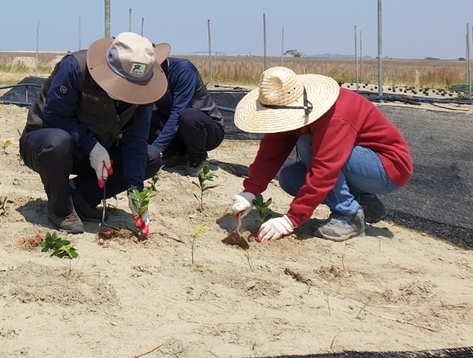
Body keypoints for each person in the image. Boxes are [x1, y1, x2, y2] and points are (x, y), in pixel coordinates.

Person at [230, 66, 413, 242]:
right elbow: (271, 151)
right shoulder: (290, 103)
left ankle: (349, 215)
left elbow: (325, 170)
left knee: (306, 143)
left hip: (387, 169)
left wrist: (291, 220)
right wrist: (250, 192)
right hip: (357, 166)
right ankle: (365, 201)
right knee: (290, 178)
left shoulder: (335, 115)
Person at [20, 32, 168, 234]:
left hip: (96, 152)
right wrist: (92, 146)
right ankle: (60, 209)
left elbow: (136, 141)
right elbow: (55, 115)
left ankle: (79, 196)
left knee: (150, 158)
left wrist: (136, 191)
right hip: (46, 145)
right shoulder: (75, 67)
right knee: (57, 142)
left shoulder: (143, 92)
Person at [149, 56, 225, 175]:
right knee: (146, 117)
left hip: (207, 131)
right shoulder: (151, 77)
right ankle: (177, 154)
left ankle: (197, 158)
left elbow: (178, 112)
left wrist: (156, 148)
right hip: (180, 130)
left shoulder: (184, 70)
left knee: (188, 116)